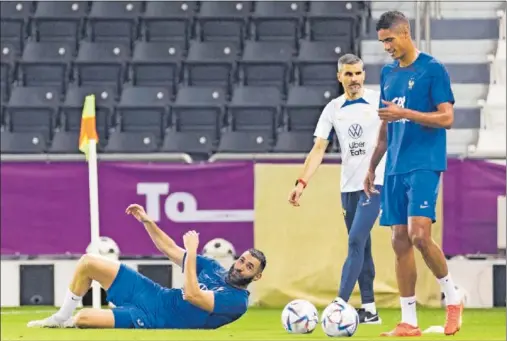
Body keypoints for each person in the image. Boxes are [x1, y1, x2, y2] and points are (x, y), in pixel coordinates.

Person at [364, 11, 463, 337]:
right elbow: (385, 124)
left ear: (405, 33)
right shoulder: (389, 73)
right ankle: (409, 321)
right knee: (399, 241)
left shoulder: (433, 69)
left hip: (424, 162)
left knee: (420, 235)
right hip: (394, 165)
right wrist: (372, 165)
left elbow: (447, 118)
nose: (386, 47)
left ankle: (452, 294)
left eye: (389, 39)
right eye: (382, 42)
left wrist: (405, 112)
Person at [27, 204, 266, 329]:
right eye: (242, 260)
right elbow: (170, 249)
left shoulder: (237, 302)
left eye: (249, 266)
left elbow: (193, 294)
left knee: (83, 319)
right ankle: (59, 318)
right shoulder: (214, 268)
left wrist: (192, 252)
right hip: (154, 294)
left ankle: (96, 315)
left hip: (156, 318)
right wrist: (148, 222)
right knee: (88, 262)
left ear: (257, 276)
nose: (241, 266)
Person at [288, 53, 385, 325]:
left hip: (376, 183)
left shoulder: (379, 101)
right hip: (348, 187)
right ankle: (370, 310)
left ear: (364, 75)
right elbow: (318, 148)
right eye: (348, 74)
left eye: (358, 73)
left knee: (355, 241)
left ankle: (338, 305)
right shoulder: (333, 109)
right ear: (339, 76)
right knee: (362, 246)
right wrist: (301, 182)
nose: (354, 79)